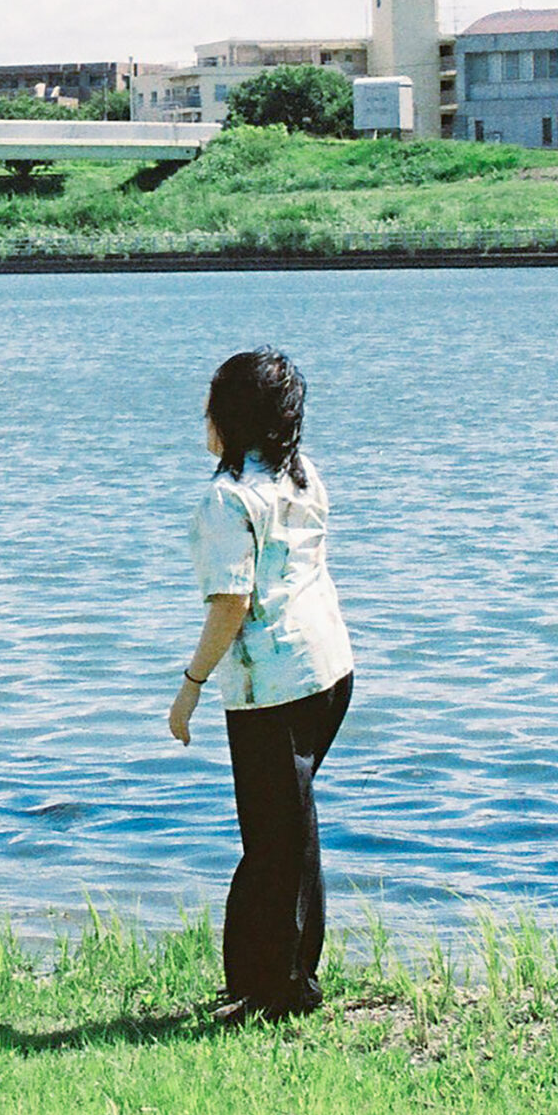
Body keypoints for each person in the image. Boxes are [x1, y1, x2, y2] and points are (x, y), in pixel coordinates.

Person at [169, 348, 355, 1025]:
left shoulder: (228, 499)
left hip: (273, 685)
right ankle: (279, 980)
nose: (202, 415)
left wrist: (190, 685)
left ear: (230, 417)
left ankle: (275, 989)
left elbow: (231, 604)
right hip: (329, 668)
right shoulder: (301, 474)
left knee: (274, 840)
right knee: (291, 830)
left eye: (211, 404)